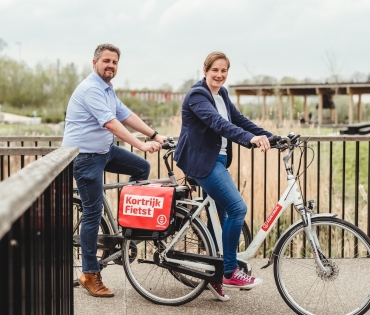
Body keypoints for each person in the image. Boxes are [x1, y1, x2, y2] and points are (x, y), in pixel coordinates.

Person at [62, 43, 167, 298]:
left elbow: (126, 115)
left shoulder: (107, 89)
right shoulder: (90, 89)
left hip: (104, 152)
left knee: (141, 166)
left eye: (115, 62)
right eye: (106, 61)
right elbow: (111, 123)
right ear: (95, 62)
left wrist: (154, 134)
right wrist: (141, 143)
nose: (111, 66)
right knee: (92, 213)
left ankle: (127, 220)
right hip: (86, 157)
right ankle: (89, 274)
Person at [174, 52, 274, 301]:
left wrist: (272, 137)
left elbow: (239, 120)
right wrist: (249, 139)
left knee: (217, 218)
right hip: (202, 162)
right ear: (205, 70)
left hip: (216, 160)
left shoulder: (222, 94)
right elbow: (217, 123)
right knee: (237, 209)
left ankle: (214, 273)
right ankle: (229, 270)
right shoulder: (198, 95)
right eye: (215, 70)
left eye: (224, 70)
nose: (220, 75)